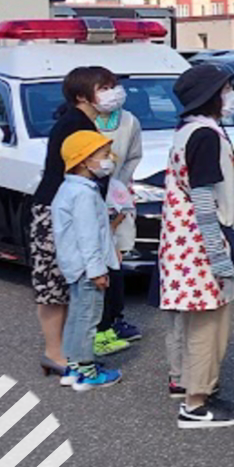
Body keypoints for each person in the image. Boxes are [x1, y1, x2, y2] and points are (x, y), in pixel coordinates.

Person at [157, 63, 234, 426]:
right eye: (226, 90)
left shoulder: (188, 131)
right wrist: (219, 256)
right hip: (200, 242)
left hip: (183, 240)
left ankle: (202, 391)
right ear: (211, 96)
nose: (232, 96)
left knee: (200, 324)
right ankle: (196, 403)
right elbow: (204, 197)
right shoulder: (206, 136)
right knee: (207, 327)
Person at [30, 66, 111, 380]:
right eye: (104, 88)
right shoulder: (74, 124)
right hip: (57, 208)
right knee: (55, 284)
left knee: (69, 285)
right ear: (82, 95)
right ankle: (55, 352)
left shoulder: (84, 121)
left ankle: (68, 352)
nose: (113, 94)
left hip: (66, 205)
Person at [50, 130, 123, 391]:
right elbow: (88, 235)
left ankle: (73, 366)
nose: (109, 160)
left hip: (75, 264)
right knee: (88, 318)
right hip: (87, 267)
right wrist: (97, 270)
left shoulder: (70, 189)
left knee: (77, 314)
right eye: (103, 155)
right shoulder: (83, 194)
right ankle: (86, 370)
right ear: (83, 161)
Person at [90, 71, 145, 352]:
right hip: (90, 197)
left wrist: (118, 186)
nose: (112, 93)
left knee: (116, 261)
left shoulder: (129, 120)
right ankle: (95, 326)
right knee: (95, 264)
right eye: (104, 88)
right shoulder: (82, 120)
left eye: (114, 86)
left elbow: (133, 156)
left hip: (117, 195)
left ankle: (114, 319)